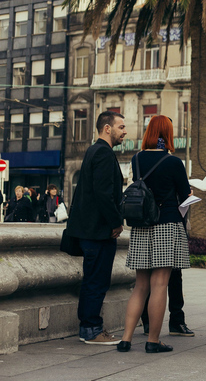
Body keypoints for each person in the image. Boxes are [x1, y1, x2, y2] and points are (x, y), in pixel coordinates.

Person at [117, 115, 191, 353]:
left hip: (141, 225)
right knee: (160, 285)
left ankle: (126, 339)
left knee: (140, 286)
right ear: (167, 134)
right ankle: (153, 341)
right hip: (166, 224)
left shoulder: (136, 158)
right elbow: (184, 196)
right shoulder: (174, 162)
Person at [66, 110, 126, 345]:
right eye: (121, 127)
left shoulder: (95, 150)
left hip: (91, 230)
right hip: (98, 231)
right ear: (107, 129)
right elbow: (103, 193)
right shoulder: (102, 152)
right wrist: (115, 222)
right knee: (97, 280)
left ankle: (91, 327)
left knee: (94, 279)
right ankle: (91, 329)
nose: (125, 131)